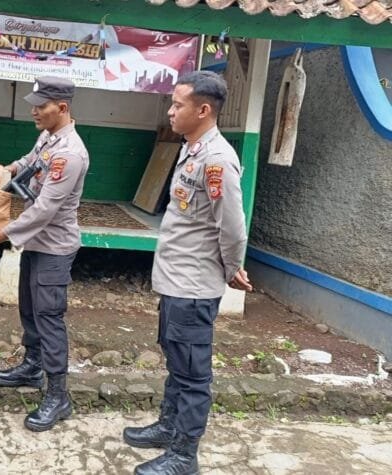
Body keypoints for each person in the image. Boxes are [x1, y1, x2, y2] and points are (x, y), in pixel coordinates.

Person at [123, 70, 253, 475]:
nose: (171, 111)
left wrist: (232, 269)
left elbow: (232, 226)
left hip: (194, 285)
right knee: (178, 360)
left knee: (194, 373)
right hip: (178, 280)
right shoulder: (193, 149)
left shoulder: (216, 160)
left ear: (203, 110)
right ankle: (168, 426)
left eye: (178, 105)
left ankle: (184, 455)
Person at [0, 76, 89, 432]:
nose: (33, 111)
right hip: (37, 244)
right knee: (30, 308)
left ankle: (58, 395)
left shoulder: (71, 153)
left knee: (49, 317)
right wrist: (6, 170)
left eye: (41, 106)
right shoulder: (49, 137)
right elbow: (30, 161)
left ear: (62, 107)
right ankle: (32, 364)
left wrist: (4, 233)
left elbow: (46, 209)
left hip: (54, 247)